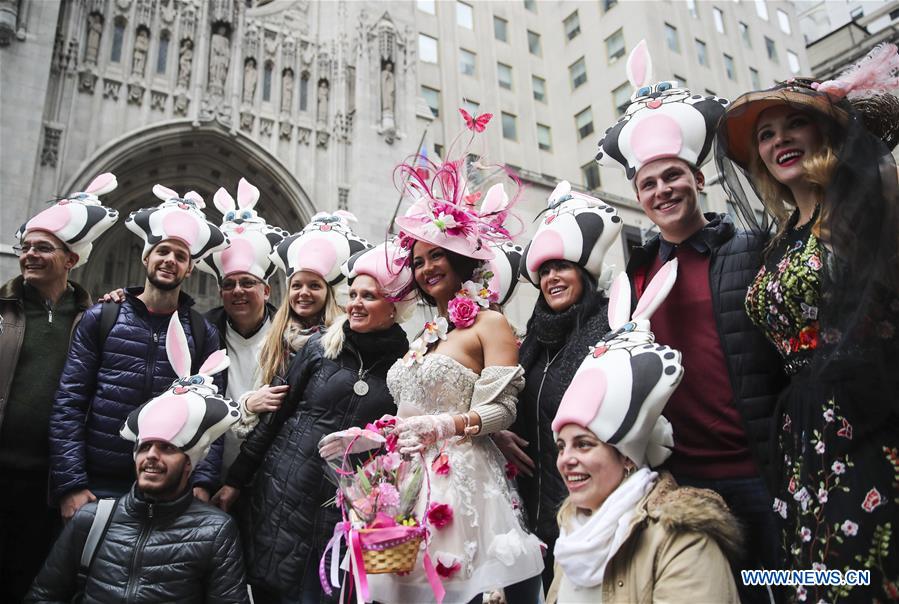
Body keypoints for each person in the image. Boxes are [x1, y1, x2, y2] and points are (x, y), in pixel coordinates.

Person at [596, 40, 785, 602]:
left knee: (792, 583)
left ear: (698, 179)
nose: (663, 190)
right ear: (638, 196)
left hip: (760, 468)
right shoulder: (632, 275)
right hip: (683, 481)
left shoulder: (751, 249)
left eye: (673, 176)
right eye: (649, 184)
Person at [716, 45, 899, 602]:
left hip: (873, 421)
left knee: (870, 577)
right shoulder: (775, 241)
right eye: (766, 135)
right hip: (802, 439)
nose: (778, 140)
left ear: (827, 134)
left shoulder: (868, 206)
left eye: (796, 123)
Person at [366, 123, 544, 603]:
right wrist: (377, 434)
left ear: (464, 259)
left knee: (461, 588)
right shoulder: (426, 333)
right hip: (406, 479)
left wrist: (444, 425)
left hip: (462, 483)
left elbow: (502, 410)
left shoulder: (491, 324)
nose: (426, 269)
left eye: (438, 255)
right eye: (419, 261)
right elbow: (409, 405)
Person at [214, 239, 403, 604]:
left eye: (370, 296)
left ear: (395, 307)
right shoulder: (319, 348)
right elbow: (274, 418)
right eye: (354, 294)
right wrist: (236, 480)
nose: (357, 303)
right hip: (284, 496)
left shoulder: (404, 366)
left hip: (346, 509)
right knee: (274, 587)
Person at [547, 265, 740, 603]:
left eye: (584, 444)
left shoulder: (682, 539)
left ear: (627, 458)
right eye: (562, 446)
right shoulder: (570, 535)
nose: (566, 460)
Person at [28, 314, 249, 603]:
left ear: (189, 463)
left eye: (168, 448)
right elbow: (44, 595)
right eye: (145, 447)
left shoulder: (215, 532)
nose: (152, 457)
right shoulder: (92, 521)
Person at [49, 184, 229, 521]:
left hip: (170, 487)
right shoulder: (102, 318)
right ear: (146, 256)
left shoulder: (204, 334)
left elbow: (213, 414)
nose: (169, 260)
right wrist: (70, 484)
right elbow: (69, 404)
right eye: (162, 251)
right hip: (97, 484)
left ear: (190, 268)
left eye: (180, 256)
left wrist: (203, 483)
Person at [493, 179, 622, 593]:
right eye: (544, 270)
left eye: (561, 267)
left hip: (594, 509)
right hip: (538, 509)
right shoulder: (532, 342)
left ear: (583, 271)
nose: (551, 278)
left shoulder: (612, 330)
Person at [0, 173, 118, 603]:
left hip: (49, 481)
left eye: (42, 247)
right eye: (25, 247)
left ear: (71, 259)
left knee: (30, 580)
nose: (29, 254)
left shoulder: (95, 318)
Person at [222, 212, 360, 449]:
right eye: (296, 285)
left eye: (314, 285)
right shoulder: (274, 341)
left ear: (328, 293)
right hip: (273, 457)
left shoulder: (346, 339)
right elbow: (263, 407)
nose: (303, 292)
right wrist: (248, 405)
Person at [200, 178, 286, 473]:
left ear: (266, 290)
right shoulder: (200, 334)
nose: (237, 291)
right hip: (210, 470)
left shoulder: (291, 338)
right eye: (229, 284)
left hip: (269, 471)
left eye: (247, 283)